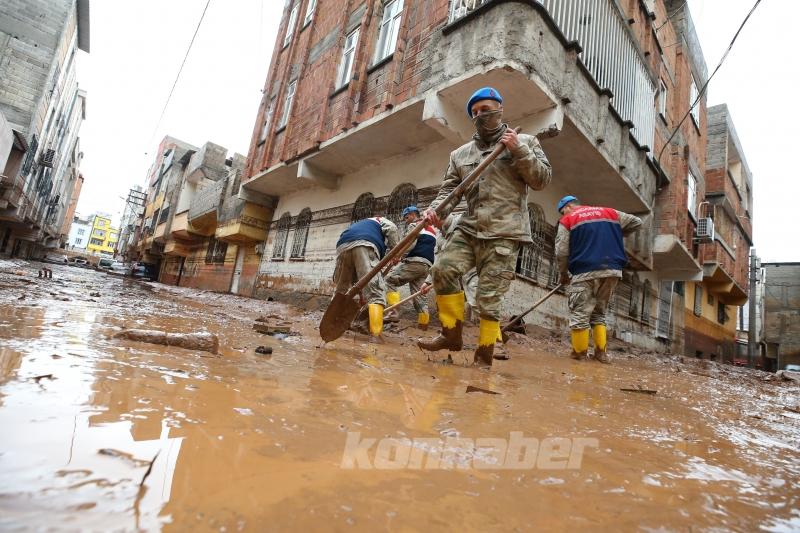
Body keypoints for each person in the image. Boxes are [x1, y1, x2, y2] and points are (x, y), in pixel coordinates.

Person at [419, 86, 553, 368]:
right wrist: (435, 209)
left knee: (488, 299)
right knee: (442, 270)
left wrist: (519, 150)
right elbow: (449, 190)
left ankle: (484, 357)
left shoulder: (525, 141)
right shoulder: (460, 154)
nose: (481, 115)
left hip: (505, 231)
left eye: (486, 109)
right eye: (475, 112)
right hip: (469, 228)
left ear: (500, 109)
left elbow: (541, 180)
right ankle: (451, 335)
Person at [555, 195, 643, 363]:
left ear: (566, 207)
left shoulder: (568, 219)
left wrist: (563, 274)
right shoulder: (609, 213)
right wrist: (615, 232)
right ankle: (600, 354)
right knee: (599, 312)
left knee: (580, 312)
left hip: (584, 271)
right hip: (612, 271)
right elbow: (637, 222)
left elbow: (561, 251)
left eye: (561, 211)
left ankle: (579, 354)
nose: (562, 214)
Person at [333, 216, 399, 336]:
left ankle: (334, 324)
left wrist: (362, 295)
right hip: (364, 244)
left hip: (342, 246)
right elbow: (392, 228)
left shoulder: (360, 224)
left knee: (341, 290)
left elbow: (358, 282)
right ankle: (375, 335)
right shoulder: (381, 220)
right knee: (376, 293)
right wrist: (396, 252)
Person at [385, 206, 437, 330]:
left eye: (407, 217)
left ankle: (392, 313)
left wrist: (398, 255)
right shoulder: (432, 229)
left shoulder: (415, 225)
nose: (406, 220)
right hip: (426, 265)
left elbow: (410, 243)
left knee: (389, 280)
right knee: (420, 296)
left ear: (414, 215)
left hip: (415, 262)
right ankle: (423, 325)